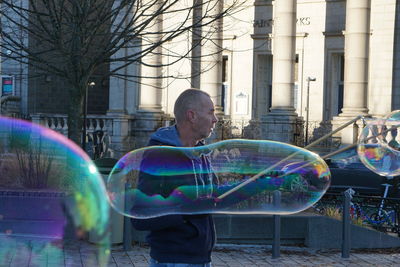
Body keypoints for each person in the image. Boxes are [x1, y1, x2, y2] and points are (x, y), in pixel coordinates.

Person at [131, 88, 218, 267]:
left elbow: (212, 198)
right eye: (211, 112)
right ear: (192, 116)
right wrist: (187, 209)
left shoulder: (201, 153)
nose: (215, 119)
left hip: (201, 259)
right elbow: (140, 216)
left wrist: (258, 184)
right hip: (172, 260)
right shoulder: (160, 155)